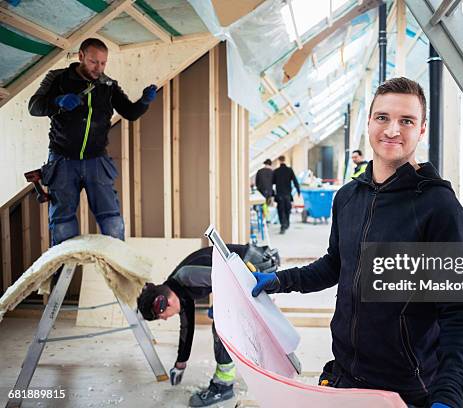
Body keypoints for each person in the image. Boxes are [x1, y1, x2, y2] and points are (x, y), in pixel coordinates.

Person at [251, 77, 463, 407]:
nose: (392, 130)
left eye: (406, 121)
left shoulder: (438, 207)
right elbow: (335, 264)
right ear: (370, 122)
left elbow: (460, 314)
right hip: (345, 375)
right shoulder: (347, 197)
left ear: (422, 129)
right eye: (383, 118)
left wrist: (449, 394)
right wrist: (279, 280)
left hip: (408, 388)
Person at [29, 38, 157, 246]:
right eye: (93, 62)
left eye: (103, 63)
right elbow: (34, 107)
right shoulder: (58, 78)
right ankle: (62, 275)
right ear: (81, 56)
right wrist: (57, 101)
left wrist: (144, 102)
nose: (99, 68)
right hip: (62, 160)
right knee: (62, 223)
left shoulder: (108, 85)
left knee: (113, 222)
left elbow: (130, 112)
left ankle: (117, 274)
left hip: (96, 161)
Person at [137, 244, 279, 407]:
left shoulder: (186, 276)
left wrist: (221, 304)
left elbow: (230, 278)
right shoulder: (180, 289)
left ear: (164, 303)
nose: (166, 319)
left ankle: (223, 386)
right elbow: (187, 327)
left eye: (162, 317)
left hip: (257, 266)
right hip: (251, 267)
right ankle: (265, 371)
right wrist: (180, 363)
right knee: (228, 320)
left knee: (222, 326)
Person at [272, 155, 300, 234]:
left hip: (280, 194)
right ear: (285, 160)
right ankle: (287, 223)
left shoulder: (276, 171)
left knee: (281, 210)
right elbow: (295, 181)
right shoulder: (289, 170)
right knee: (287, 209)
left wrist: (272, 194)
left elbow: (272, 182)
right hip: (287, 194)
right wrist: (298, 191)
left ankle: (283, 225)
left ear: (279, 161)